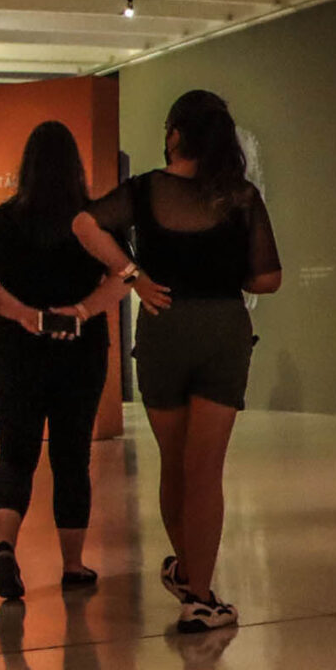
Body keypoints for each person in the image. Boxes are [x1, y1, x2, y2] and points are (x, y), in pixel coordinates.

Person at [73, 90, 281, 633]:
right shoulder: (240, 197)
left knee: (174, 463)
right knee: (205, 470)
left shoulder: (143, 192)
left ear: (175, 135)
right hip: (222, 331)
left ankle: (189, 572)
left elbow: (85, 226)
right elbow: (268, 279)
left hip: (163, 328)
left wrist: (134, 276)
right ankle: (200, 595)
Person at [0, 121, 125, 600]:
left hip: (17, 350)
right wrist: (82, 310)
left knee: (16, 454)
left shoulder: (6, 218)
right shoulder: (92, 220)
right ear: (75, 165)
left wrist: (22, 314)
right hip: (81, 349)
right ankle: (72, 564)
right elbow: (125, 275)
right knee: (71, 455)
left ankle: (4, 547)